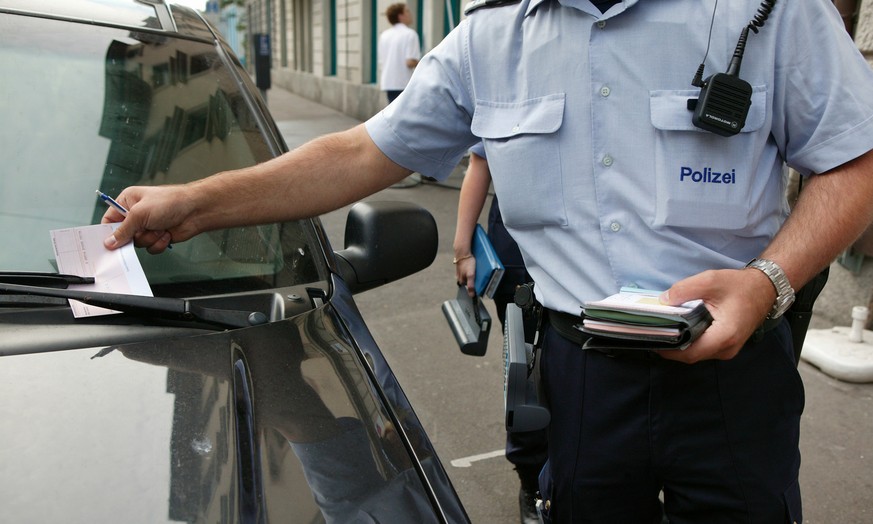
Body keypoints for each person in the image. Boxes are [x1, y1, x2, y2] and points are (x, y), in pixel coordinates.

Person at [103, 1, 873, 521]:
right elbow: (357, 153)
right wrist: (193, 202)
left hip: (732, 376)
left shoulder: (769, 15)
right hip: (581, 373)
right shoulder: (489, 40)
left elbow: (856, 161)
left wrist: (766, 281)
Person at [453, 143, 547, 524]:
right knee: (526, 380)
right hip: (518, 260)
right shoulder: (508, 83)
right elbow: (480, 162)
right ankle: (533, 484)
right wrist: (463, 250)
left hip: (595, 257)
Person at [377, 3, 420, 104]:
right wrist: (424, 63)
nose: (410, 14)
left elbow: (381, 61)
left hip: (389, 82)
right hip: (404, 83)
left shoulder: (384, 35)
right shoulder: (410, 34)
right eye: (407, 11)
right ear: (400, 16)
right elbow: (410, 62)